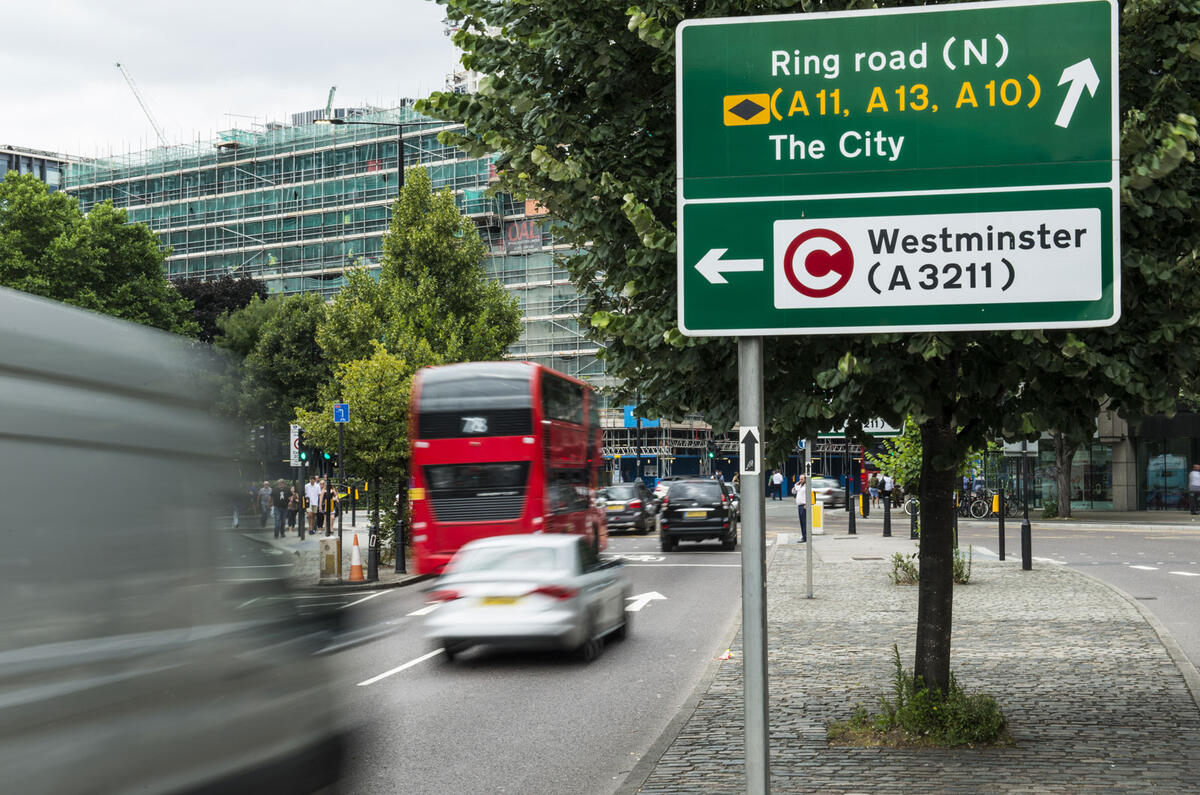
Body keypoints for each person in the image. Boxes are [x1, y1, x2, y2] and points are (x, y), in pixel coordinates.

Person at [791, 474, 809, 542]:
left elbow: (808, 496)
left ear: (805, 479)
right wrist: (797, 483)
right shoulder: (799, 486)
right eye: (800, 479)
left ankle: (805, 537)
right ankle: (803, 536)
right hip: (799, 506)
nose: (800, 480)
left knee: (804, 522)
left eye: (802, 479)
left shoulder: (807, 486)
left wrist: (806, 504)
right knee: (801, 522)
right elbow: (793, 491)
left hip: (804, 506)